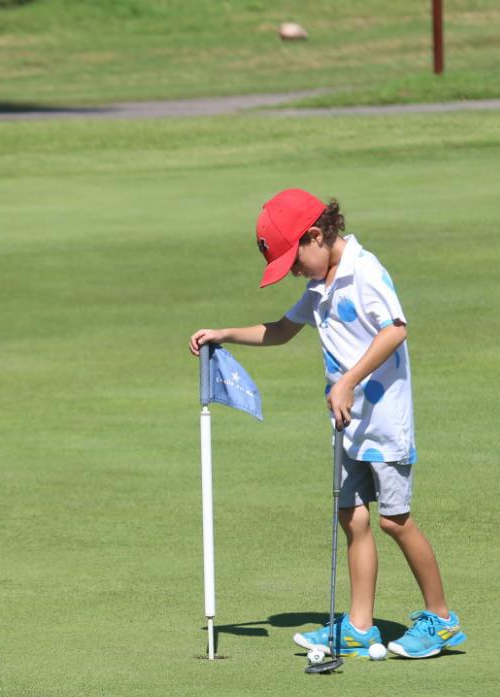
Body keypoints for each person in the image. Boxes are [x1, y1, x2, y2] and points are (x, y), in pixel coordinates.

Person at [188, 188, 465, 659]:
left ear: (315, 235)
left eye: (293, 262)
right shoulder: (318, 286)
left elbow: (395, 329)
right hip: (347, 423)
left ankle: (441, 620)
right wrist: (225, 334)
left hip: (384, 423)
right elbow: (281, 330)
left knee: (395, 521)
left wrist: (349, 381)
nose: (294, 272)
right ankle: (359, 627)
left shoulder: (364, 271)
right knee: (352, 517)